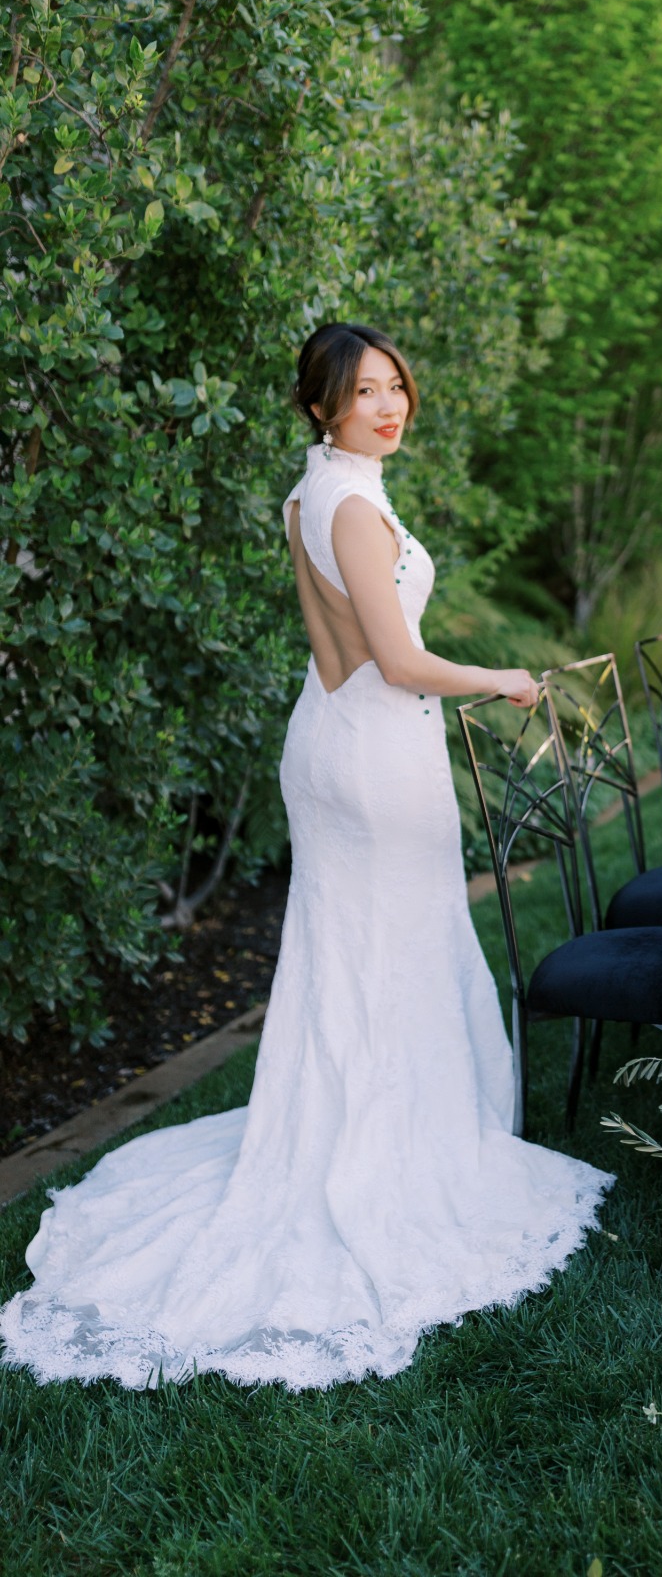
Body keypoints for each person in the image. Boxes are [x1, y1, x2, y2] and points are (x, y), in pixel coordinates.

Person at [0, 322, 613, 1390]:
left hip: (335, 737)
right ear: (322, 405)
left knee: (358, 955)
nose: (389, 406)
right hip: (372, 751)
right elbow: (400, 657)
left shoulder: (312, 488)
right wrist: (509, 679)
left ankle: (347, 1127)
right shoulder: (355, 505)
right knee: (390, 953)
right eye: (363, 392)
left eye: (396, 387)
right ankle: (378, 1159)